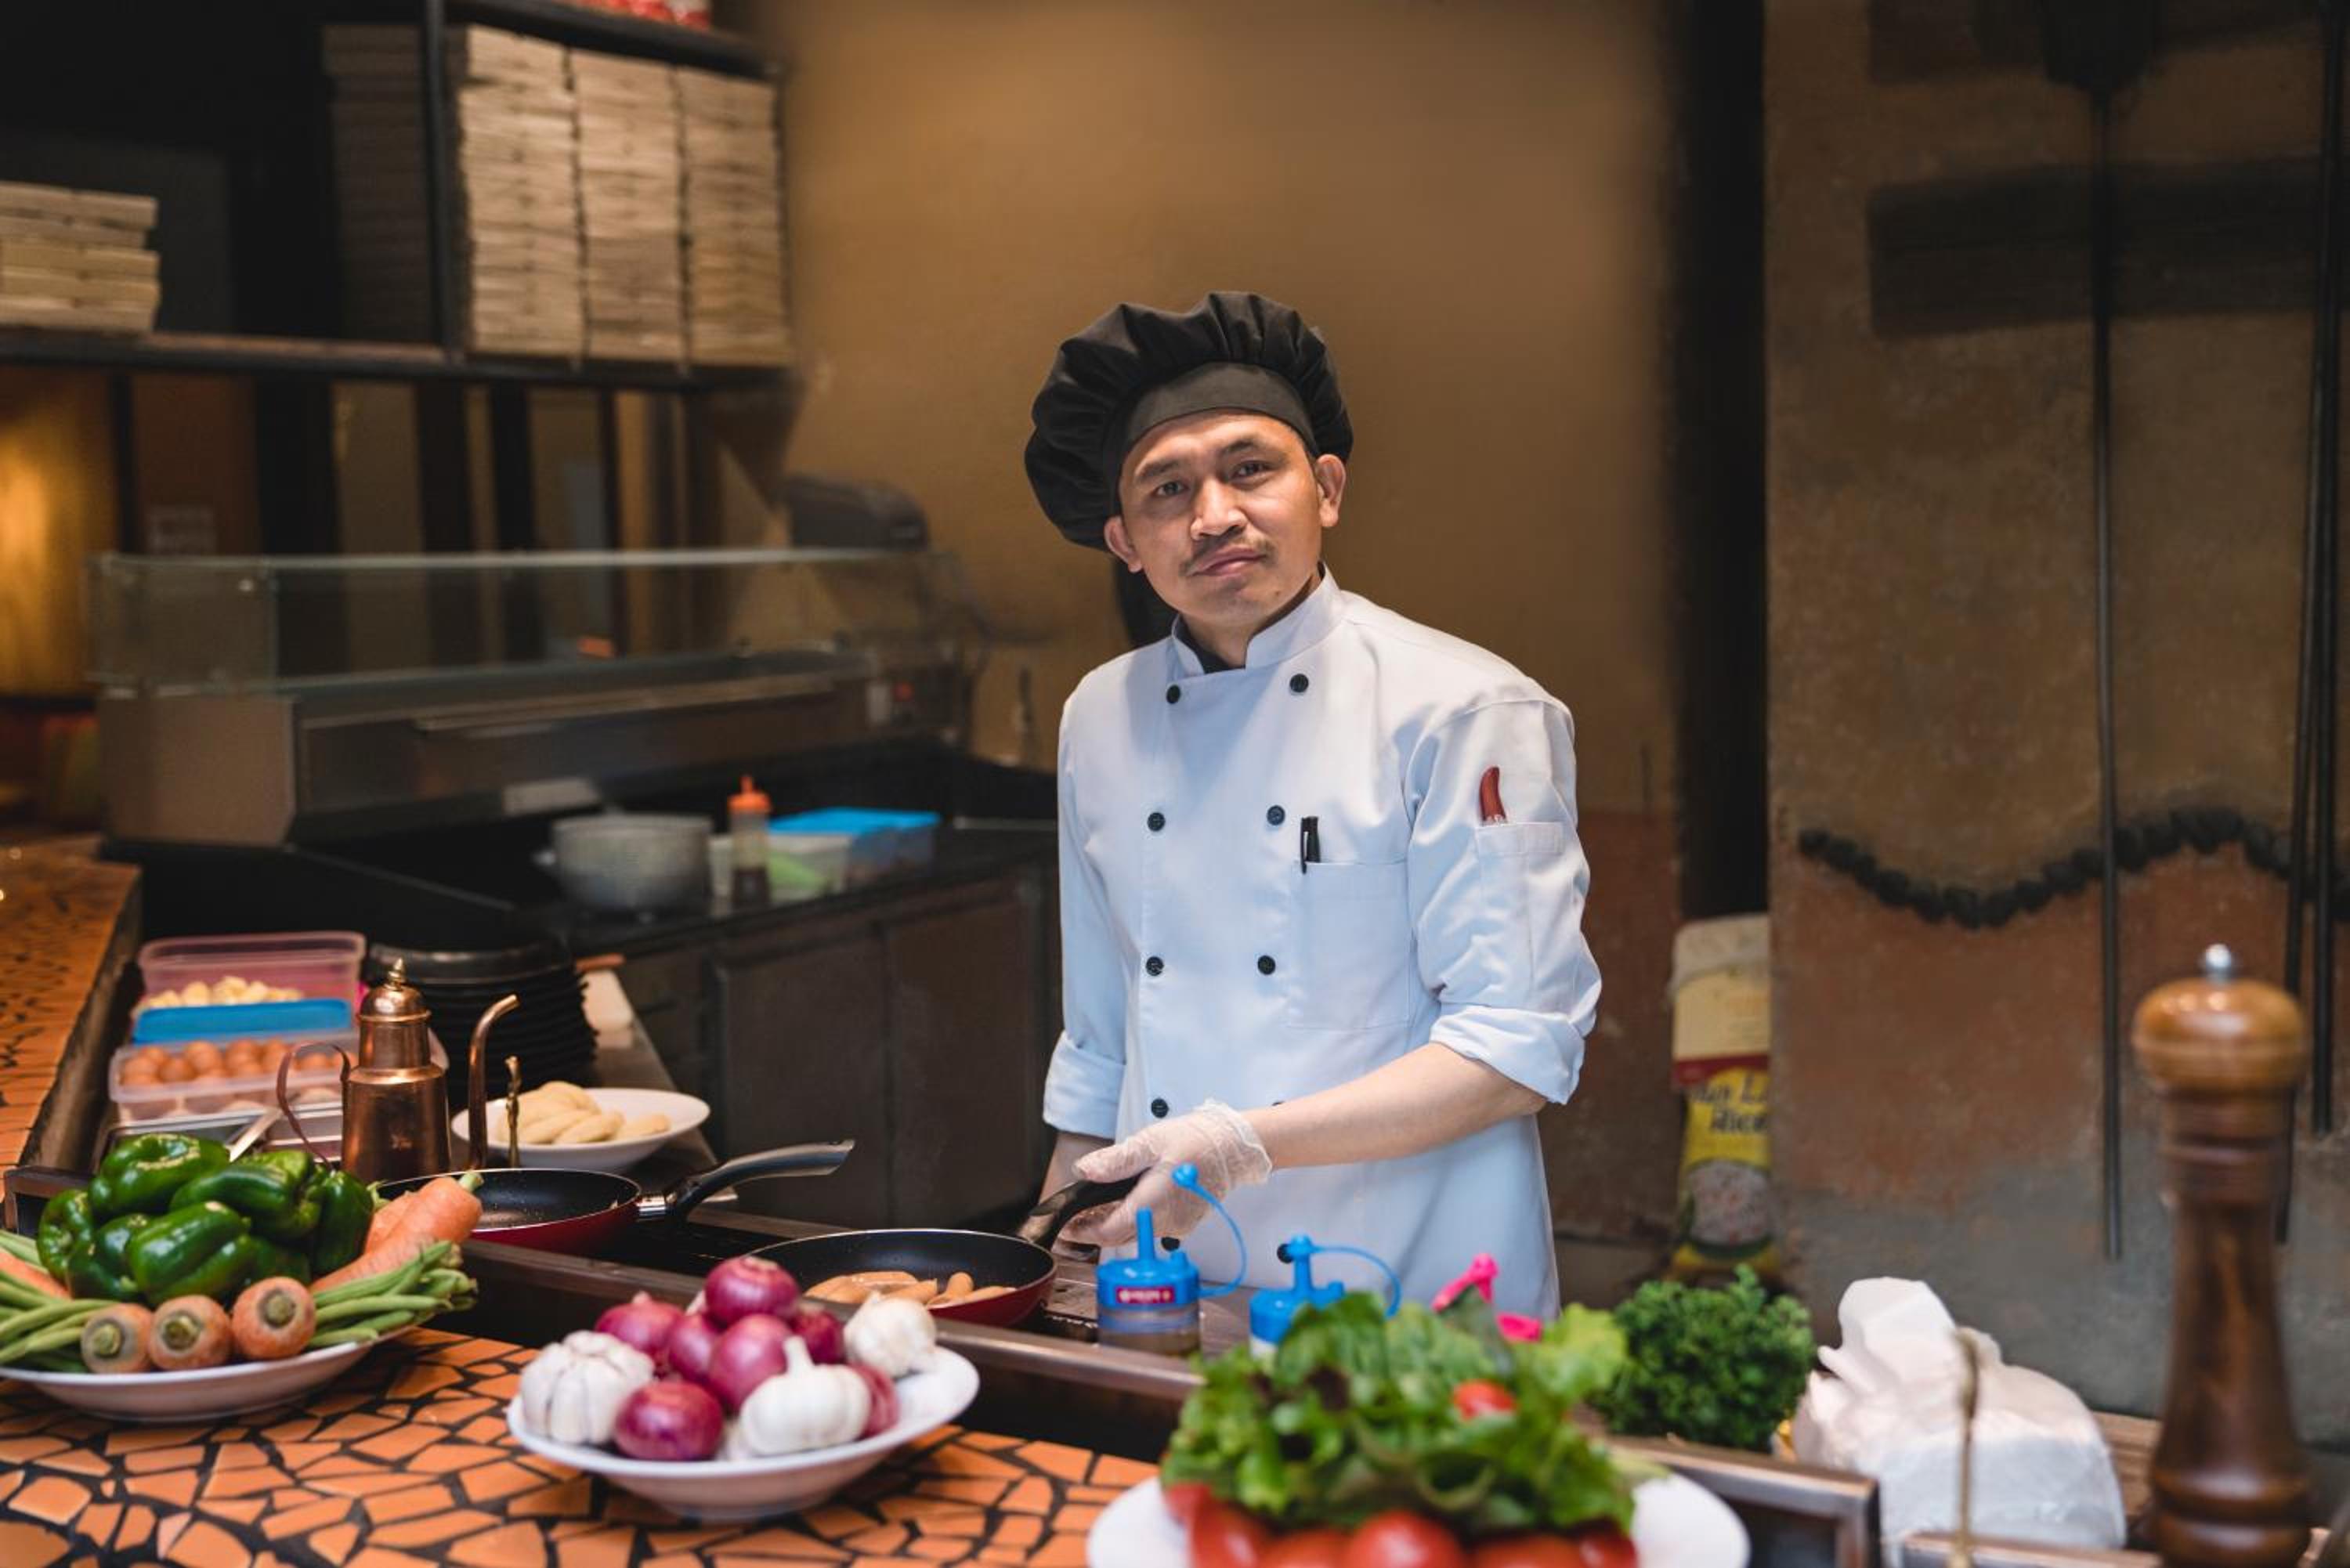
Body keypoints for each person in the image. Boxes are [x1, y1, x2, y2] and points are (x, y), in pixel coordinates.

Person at [1023, 291, 1600, 1316]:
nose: (1213, 515)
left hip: (1414, 1284)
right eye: (1167, 488)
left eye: (1250, 468)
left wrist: (1240, 1143)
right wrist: (1054, 1259)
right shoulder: (1099, 715)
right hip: (1173, 1283)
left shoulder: (1466, 710)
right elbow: (1102, 1039)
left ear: (1326, 489)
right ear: (1124, 540)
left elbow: (1515, 1049)